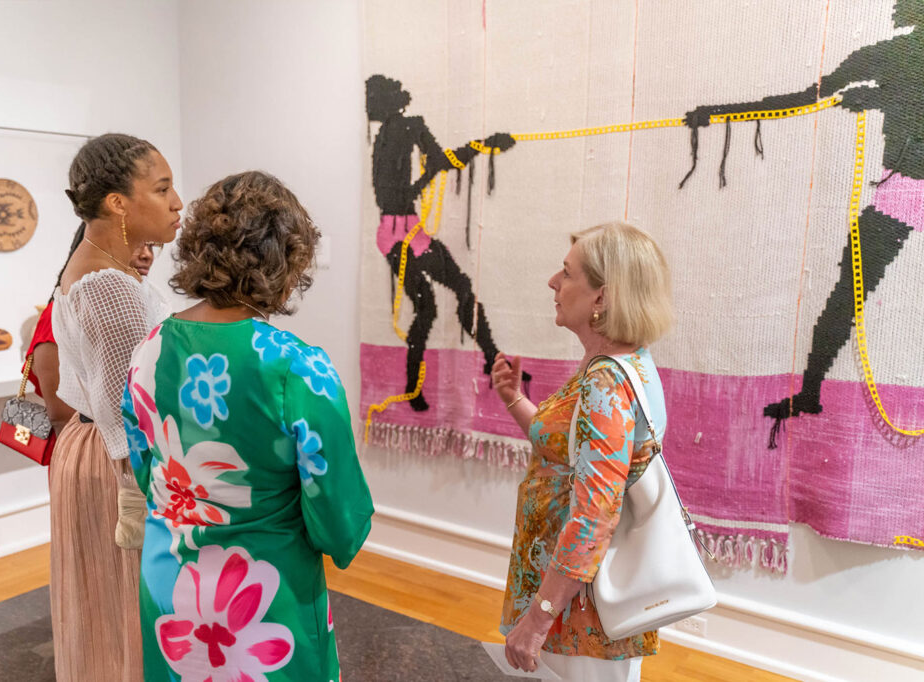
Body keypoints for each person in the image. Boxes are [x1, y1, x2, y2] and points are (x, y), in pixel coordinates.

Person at [123, 170, 374, 682]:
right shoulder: (296, 368)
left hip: (173, 579)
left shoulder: (149, 349)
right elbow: (338, 511)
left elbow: (146, 466)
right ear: (286, 260)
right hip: (259, 589)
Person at [682, 0, 924, 443]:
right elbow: (806, 98)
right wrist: (720, 113)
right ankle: (810, 391)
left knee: (845, 294)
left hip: (906, 188)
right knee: (847, 292)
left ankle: (811, 391)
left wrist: (878, 96)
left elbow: (806, 98)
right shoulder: (887, 57)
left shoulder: (891, 57)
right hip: (905, 189)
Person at [494, 222, 674, 681]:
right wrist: (515, 399)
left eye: (567, 273)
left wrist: (537, 620)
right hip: (574, 604)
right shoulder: (615, 365)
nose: (553, 283)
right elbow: (566, 452)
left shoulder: (607, 383)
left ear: (602, 297)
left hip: (580, 616)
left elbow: (594, 515)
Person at [51, 133, 183, 681]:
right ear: (117, 203)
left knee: (105, 611)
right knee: (128, 611)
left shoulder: (98, 267)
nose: (178, 203)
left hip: (91, 454)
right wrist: (139, 496)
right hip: (117, 468)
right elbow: (127, 411)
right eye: (163, 188)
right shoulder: (110, 287)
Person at [366, 74, 526, 410]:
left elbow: (435, 166)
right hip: (402, 234)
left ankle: (477, 364)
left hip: (400, 233)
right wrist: (484, 145)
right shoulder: (407, 127)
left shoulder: (386, 135)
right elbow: (442, 163)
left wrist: (483, 146)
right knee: (447, 295)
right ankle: (485, 361)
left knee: (433, 304)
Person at [25, 231, 157, 433]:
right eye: (136, 243)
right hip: (89, 448)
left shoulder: (130, 304)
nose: (147, 255)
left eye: (152, 246)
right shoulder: (63, 311)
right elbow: (61, 415)